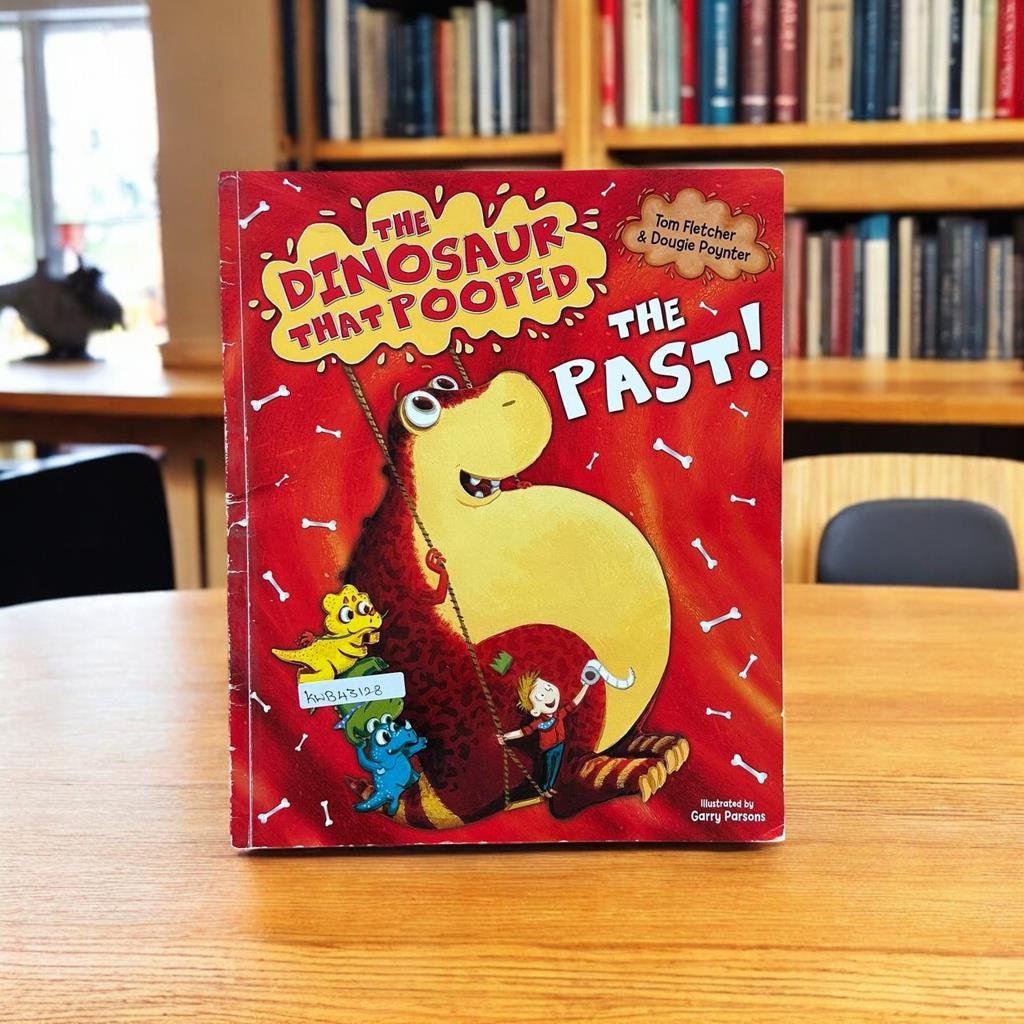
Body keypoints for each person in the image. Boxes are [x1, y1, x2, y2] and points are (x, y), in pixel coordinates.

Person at [498, 669, 597, 797]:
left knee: (556, 768)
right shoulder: (538, 722)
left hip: (560, 745)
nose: (548, 694)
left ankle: (550, 787)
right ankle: (545, 788)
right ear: (535, 711)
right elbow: (523, 732)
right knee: (549, 768)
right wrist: (505, 737)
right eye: (540, 696)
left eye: (548, 687)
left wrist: (586, 686)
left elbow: (575, 702)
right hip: (548, 749)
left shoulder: (559, 714)